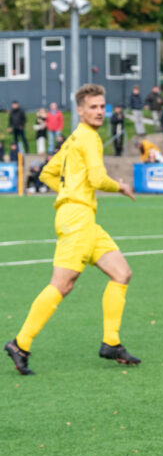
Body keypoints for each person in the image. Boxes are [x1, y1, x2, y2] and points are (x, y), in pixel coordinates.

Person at [5, 84, 140, 376]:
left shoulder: (73, 139)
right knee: (62, 284)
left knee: (121, 273)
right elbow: (97, 178)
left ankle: (111, 343)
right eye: (92, 107)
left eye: (101, 106)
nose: (99, 112)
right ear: (80, 110)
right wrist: (120, 186)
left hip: (83, 218)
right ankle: (20, 343)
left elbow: (47, 174)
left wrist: (69, 191)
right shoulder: (89, 138)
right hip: (77, 219)